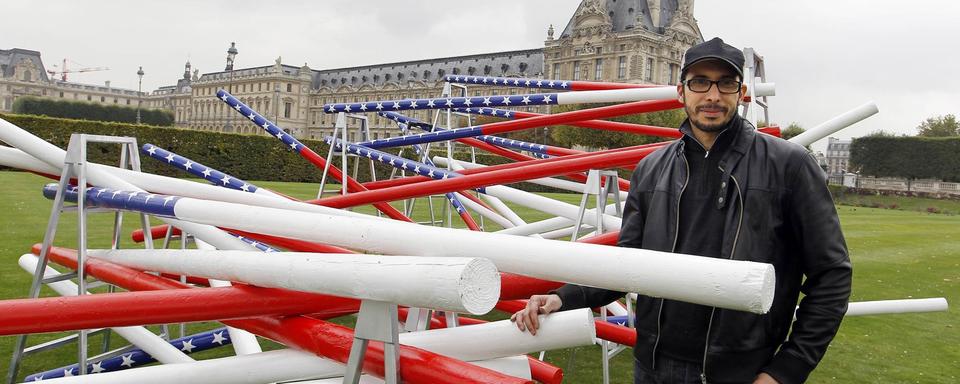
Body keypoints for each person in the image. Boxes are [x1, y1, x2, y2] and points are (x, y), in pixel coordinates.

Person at [511, 37, 852, 384]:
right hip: (653, 365)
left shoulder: (790, 166)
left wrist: (786, 370)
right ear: (681, 91)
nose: (713, 95)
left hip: (740, 372)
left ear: (742, 93)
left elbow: (832, 276)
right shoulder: (651, 168)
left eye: (726, 83)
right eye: (700, 82)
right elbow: (626, 263)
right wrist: (561, 298)